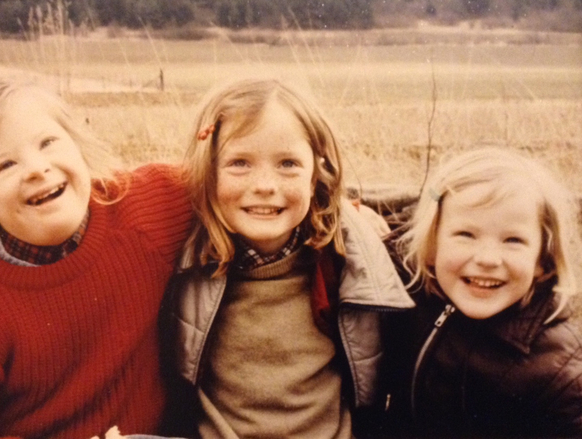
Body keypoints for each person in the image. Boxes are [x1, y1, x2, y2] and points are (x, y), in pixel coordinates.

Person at [0, 81, 193, 438]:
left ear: (79, 147)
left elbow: (228, 178)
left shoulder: (145, 212)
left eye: (47, 143)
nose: (36, 169)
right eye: (6, 165)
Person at [158, 78, 415, 438]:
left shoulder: (347, 262)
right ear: (208, 171)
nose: (265, 185)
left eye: (288, 164)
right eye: (239, 163)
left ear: (315, 177)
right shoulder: (185, 259)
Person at [380, 147, 582, 437]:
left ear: (543, 262)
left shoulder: (559, 372)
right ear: (431, 247)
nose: (488, 259)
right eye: (466, 235)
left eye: (513, 240)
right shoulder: (411, 293)